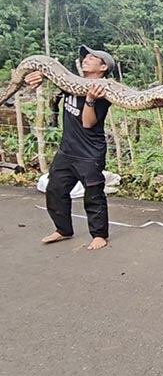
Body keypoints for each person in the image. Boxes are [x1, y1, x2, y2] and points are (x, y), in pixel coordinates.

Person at [25, 45, 115, 250]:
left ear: (103, 67)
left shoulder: (103, 90)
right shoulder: (72, 83)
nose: (85, 59)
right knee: (55, 189)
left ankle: (99, 235)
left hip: (89, 153)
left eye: (92, 58)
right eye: (85, 57)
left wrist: (90, 100)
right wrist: (37, 76)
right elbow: (48, 78)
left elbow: (88, 123)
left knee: (93, 194)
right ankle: (63, 229)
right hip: (67, 149)